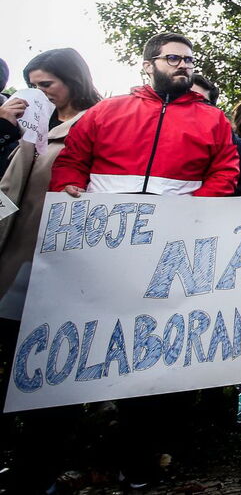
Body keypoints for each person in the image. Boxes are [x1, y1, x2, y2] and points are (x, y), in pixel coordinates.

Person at [49, 32, 240, 487]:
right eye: (173, 58)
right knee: (87, 348)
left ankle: (138, 459)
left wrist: (193, 212)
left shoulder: (213, 120)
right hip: (102, 254)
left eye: (189, 60)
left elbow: (226, 171)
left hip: (169, 254)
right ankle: (54, 462)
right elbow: (73, 161)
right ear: (148, 63)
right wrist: (70, 186)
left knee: (150, 354)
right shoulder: (107, 111)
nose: (183, 66)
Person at [0, 48, 102, 492]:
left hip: (70, 267)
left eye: (47, 85)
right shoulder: (27, 128)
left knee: (54, 375)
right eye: (33, 85)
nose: (39, 94)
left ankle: (36, 473)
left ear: (72, 80)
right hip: (17, 260)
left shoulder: (99, 123)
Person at [191, 74, 241, 196]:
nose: (192, 106)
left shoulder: (233, 142)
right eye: (187, 99)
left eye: (200, 101)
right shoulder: (155, 134)